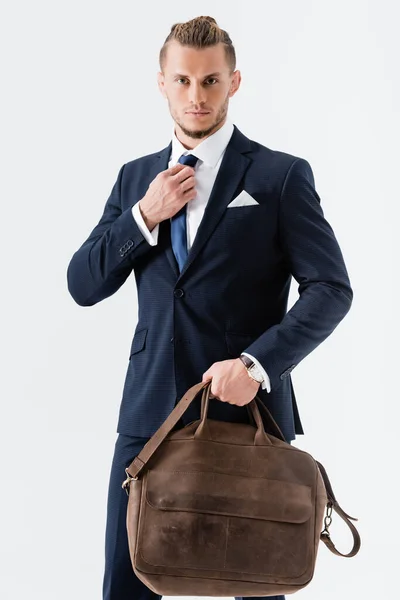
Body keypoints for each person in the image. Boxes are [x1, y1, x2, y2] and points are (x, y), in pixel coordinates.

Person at [66, 15, 353, 600]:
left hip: (246, 417)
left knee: (257, 577)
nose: (196, 96)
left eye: (211, 81)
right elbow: (83, 283)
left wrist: (255, 365)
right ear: (162, 83)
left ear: (235, 82)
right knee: (126, 586)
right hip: (147, 419)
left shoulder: (278, 176)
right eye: (183, 81)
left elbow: (330, 289)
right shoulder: (135, 179)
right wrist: (143, 216)